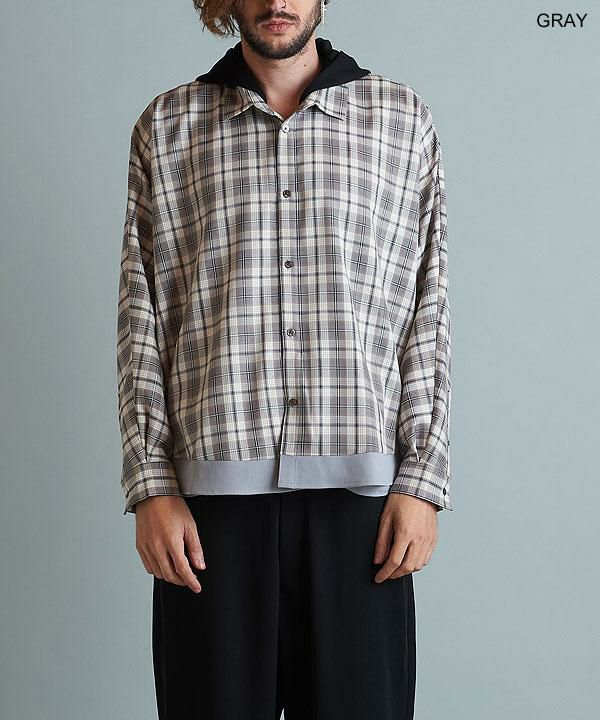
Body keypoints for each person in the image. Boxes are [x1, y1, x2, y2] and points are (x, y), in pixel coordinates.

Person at [116, 1, 453, 718]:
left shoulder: (401, 121)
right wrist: (150, 485)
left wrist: (422, 480)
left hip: (364, 514)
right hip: (208, 515)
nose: (278, 1)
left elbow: (427, 308)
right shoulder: (168, 126)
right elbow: (142, 314)